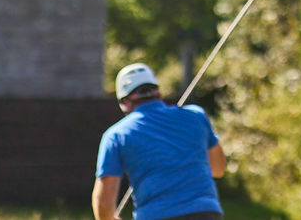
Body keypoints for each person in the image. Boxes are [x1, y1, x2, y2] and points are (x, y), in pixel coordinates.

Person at [92, 63, 226, 220]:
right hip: (207, 213)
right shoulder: (196, 115)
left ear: (125, 103)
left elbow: (104, 205)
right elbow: (218, 168)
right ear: (158, 93)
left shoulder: (116, 136)